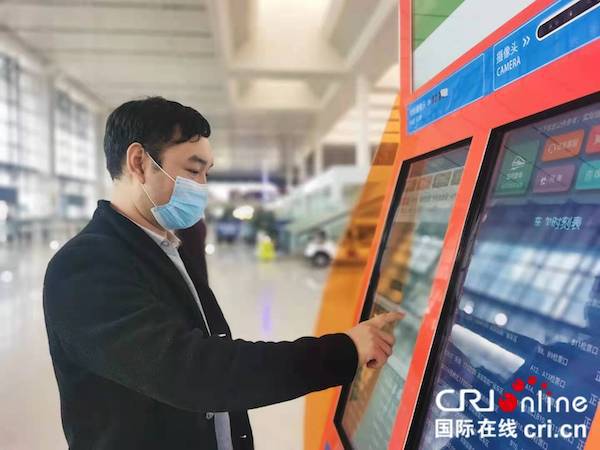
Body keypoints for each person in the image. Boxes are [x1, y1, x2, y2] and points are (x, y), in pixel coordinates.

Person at [42, 97, 403, 450]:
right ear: (139, 162)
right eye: (193, 170)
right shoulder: (84, 267)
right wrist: (344, 351)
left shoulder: (165, 248)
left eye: (206, 173)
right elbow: (195, 373)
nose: (202, 186)